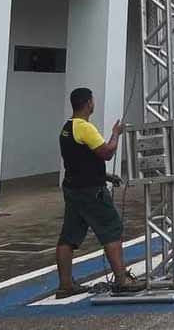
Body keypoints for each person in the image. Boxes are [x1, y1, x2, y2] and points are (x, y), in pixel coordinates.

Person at [55, 87, 143, 298]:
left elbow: (79, 161)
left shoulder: (66, 128)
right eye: (93, 100)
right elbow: (106, 152)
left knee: (69, 236)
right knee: (111, 227)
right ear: (88, 103)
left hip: (73, 189)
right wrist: (116, 134)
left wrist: (106, 176)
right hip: (90, 191)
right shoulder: (85, 128)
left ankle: (65, 285)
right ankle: (122, 280)